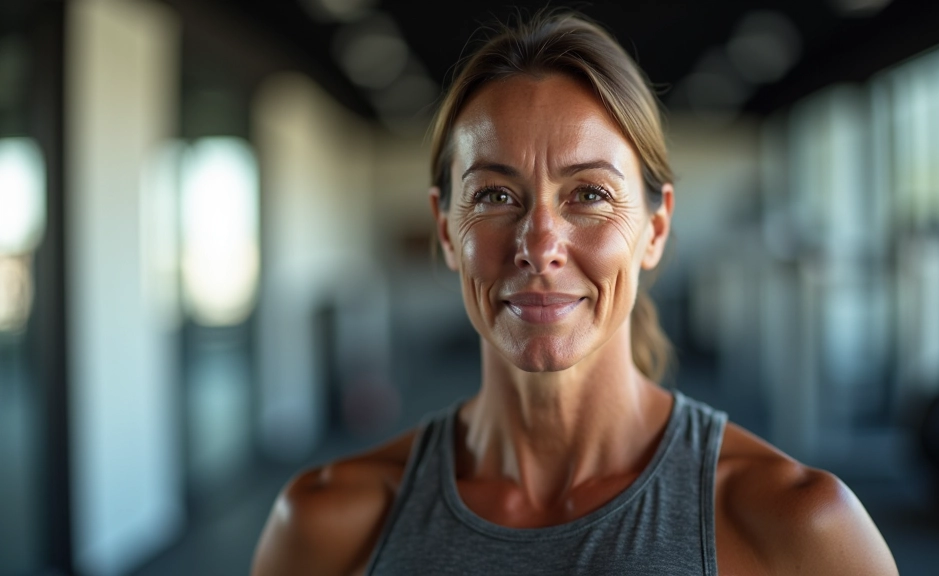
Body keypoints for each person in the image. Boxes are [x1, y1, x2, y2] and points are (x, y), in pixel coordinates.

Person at [252, 11, 898, 576]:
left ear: (656, 229)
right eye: (495, 196)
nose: (539, 244)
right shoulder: (325, 523)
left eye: (588, 194)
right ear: (446, 230)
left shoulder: (801, 529)